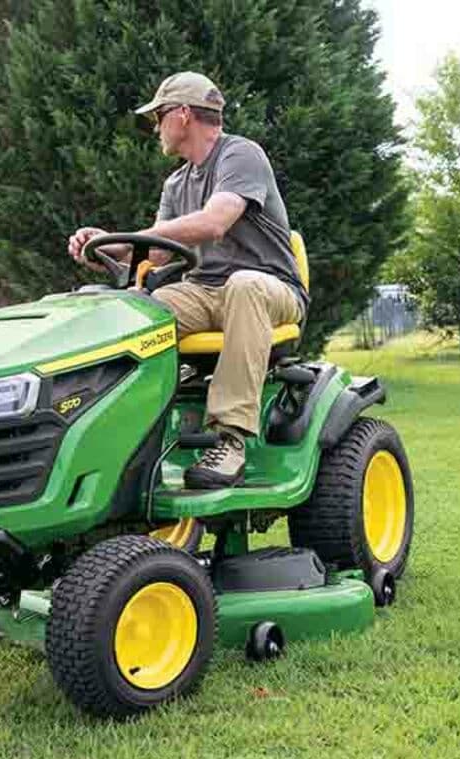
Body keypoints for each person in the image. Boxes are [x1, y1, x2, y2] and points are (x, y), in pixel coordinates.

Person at [67, 72, 307, 490]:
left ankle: (231, 440)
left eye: (158, 117)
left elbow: (216, 222)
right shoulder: (176, 183)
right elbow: (156, 252)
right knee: (135, 311)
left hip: (271, 288)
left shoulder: (241, 155)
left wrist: (136, 237)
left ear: (181, 115)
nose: (155, 127)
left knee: (244, 285)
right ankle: (122, 434)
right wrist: (103, 247)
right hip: (205, 292)